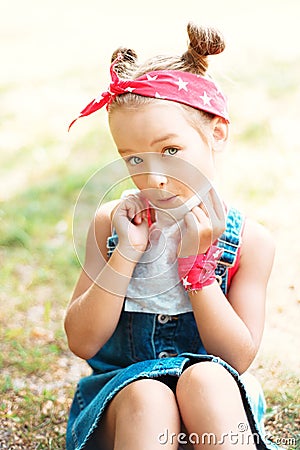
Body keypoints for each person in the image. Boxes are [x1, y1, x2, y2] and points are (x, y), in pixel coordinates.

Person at [65, 23, 281, 450]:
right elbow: (81, 340)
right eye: (133, 158)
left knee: (208, 378)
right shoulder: (112, 224)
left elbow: (236, 358)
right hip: (126, 405)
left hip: (214, 409)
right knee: (148, 395)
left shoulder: (250, 242)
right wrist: (125, 254)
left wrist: (197, 271)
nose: (154, 176)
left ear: (216, 132)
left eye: (171, 151)